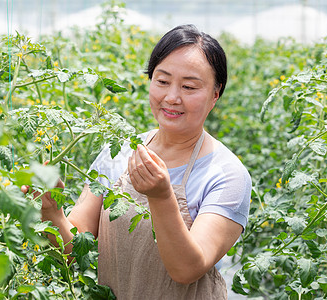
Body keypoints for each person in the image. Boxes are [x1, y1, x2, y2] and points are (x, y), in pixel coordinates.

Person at [33, 24, 251, 299]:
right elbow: (75, 251)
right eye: (162, 81)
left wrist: (161, 196)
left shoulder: (227, 175)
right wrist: (52, 213)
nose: (172, 97)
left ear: (215, 94)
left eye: (189, 86)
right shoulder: (120, 151)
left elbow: (186, 270)